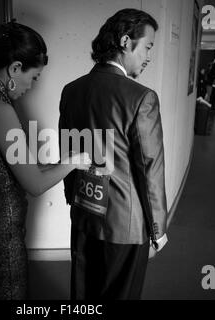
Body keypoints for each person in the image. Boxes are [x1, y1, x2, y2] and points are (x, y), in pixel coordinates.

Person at [0, 21, 92, 300]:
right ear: (15, 68)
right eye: (34, 77)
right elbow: (34, 183)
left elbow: (19, 169)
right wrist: (75, 162)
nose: (32, 86)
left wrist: (64, 160)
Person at [59, 8, 168, 300]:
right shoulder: (141, 97)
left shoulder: (71, 91)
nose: (148, 57)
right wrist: (157, 227)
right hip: (124, 224)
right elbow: (149, 167)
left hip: (84, 212)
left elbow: (67, 150)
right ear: (125, 41)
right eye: (147, 47)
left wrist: (73, 197)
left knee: (83, 294)